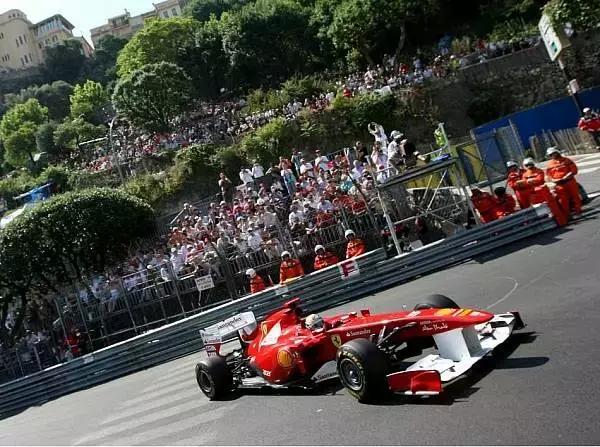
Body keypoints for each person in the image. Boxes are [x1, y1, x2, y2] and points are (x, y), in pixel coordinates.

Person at [545, 147, 582, 216]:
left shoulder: (567, 160)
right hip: (559, 185)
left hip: (570, 182)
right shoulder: (550, 164)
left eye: (554, 153)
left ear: (557, 152)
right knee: (563, 200)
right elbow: (548, 176)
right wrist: (553, 180)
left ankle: (578, 211)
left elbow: (574, 170)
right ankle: (566, 214)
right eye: (551, 155)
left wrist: (566, 177)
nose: (553, 155)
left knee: (575, 197)